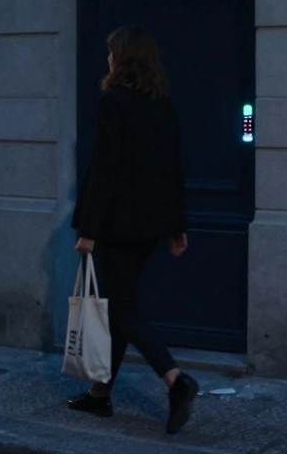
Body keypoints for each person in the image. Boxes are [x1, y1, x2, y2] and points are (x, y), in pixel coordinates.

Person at [68, 24, 199, 435]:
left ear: (122, 59)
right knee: (118, 308)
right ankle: (99, 395)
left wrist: (89, 229)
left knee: (121, 310)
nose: (106, 59)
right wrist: (177, 225)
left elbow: (105, 171)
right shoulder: (164, 106)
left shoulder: (114, 103)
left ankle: (175, 380)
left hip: (117, 224)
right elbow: (174, 170)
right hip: (151, 226)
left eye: (111, 53)